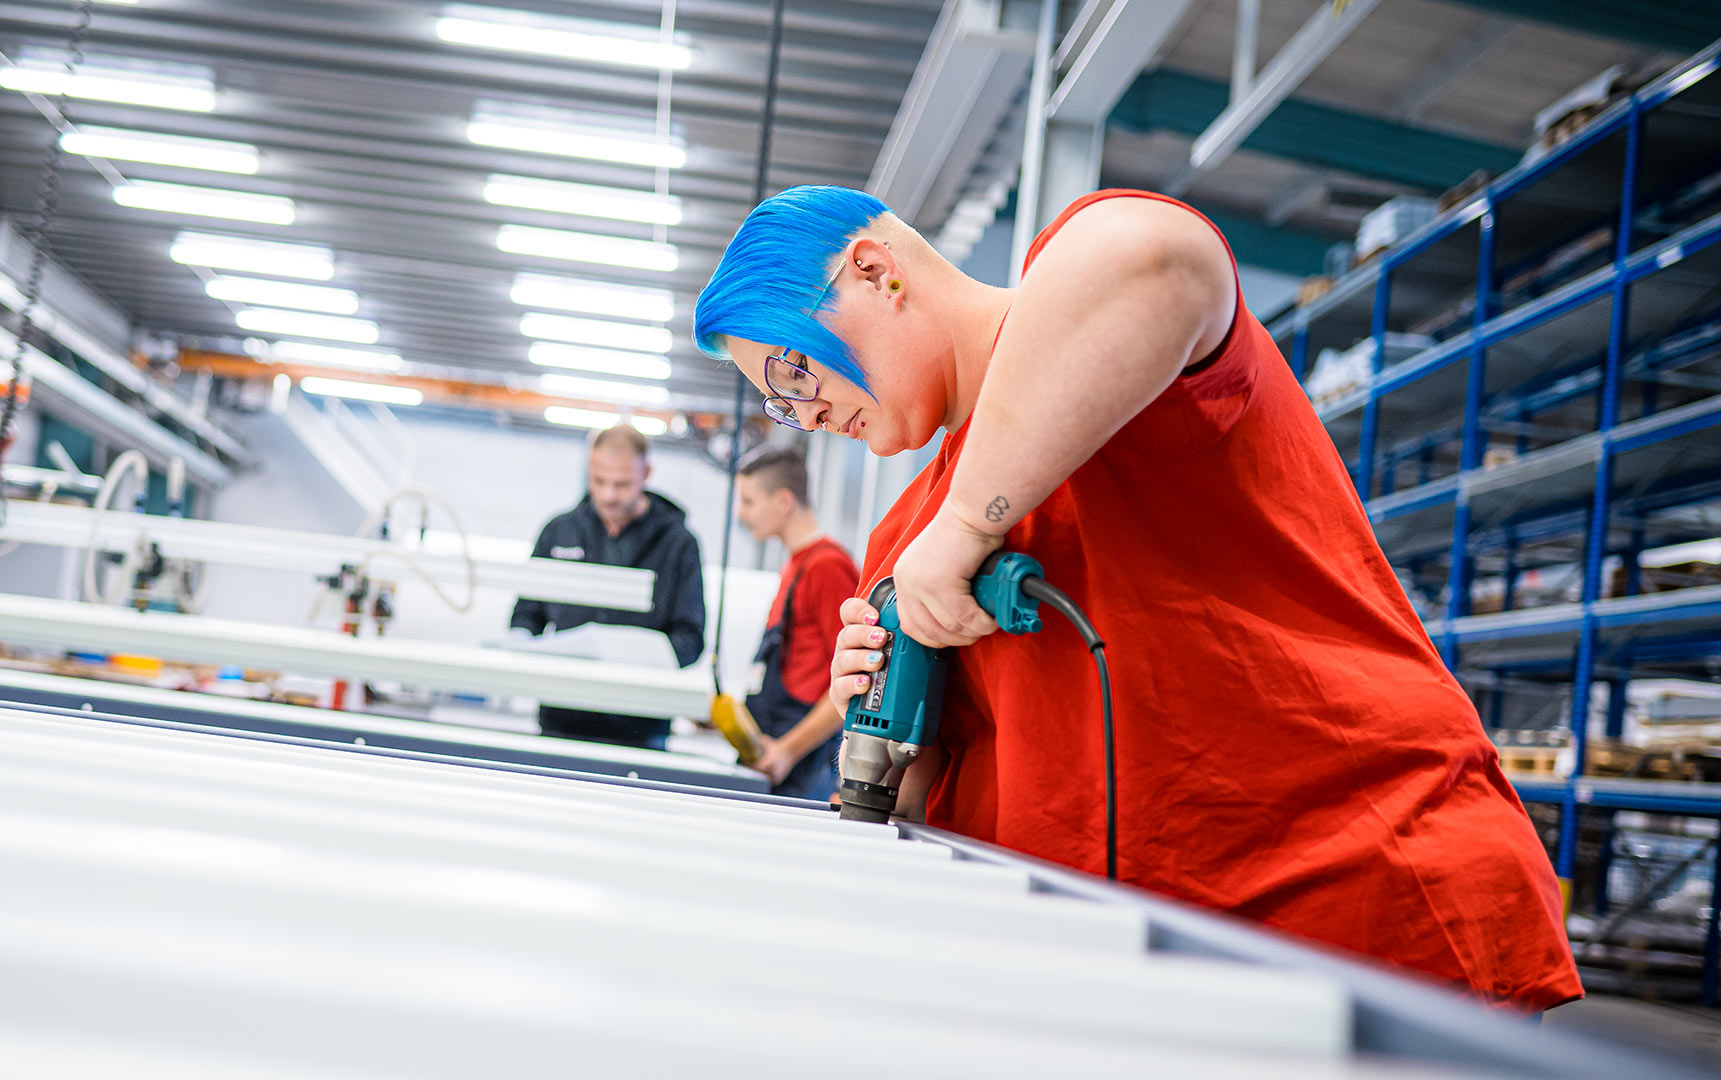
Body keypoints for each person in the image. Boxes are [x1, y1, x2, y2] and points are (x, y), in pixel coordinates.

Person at [691, 184, 1583, 1013]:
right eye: (778, 406)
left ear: (876, 270)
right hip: (1148, 990)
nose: (802, 415)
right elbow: (922, 816)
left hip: (1358, 919)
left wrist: (967, 529)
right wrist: (879, 705)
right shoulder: (905, 547)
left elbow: (1156, 255)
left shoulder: (1097, 342)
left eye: (793, 374)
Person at [511, 425, 705, 751]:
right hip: (561, 720)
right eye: (599, 481)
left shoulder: (677, 544)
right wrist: (519, 644)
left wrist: (627, 651)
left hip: (640, 729)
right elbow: (526, 615)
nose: (608, 495)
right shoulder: (560, 532)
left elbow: (689, 640)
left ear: (647, 473)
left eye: (622, 484)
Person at [732, 447, 859, 799]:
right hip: (776, 751)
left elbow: (852, 682)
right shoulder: (794, 565)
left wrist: (788, 749)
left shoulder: (828, 568)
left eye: (748, 501)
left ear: (783, 501)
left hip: (805, 765)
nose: (740, 513)